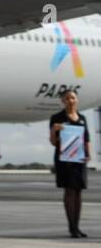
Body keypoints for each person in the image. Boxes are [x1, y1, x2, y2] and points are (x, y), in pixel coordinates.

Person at [49, 89, 91, 238]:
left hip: (79, 159)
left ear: (77, 100)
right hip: (65, 159)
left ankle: (77, 226)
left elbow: (86, 139)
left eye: (73, 98)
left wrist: (88, 154)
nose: (70, 100)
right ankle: (72, 227)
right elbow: (53, 142)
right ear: (63, 101)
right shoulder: (57, 117)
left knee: (78, 191)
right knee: (69, 191)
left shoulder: (82, 118)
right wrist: (54, 131)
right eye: (67, 98)